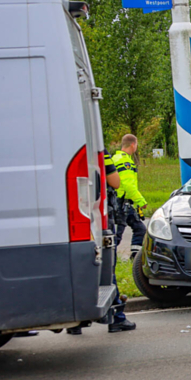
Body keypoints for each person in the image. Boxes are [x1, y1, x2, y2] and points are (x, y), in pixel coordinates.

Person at [68, 149, 135, 334]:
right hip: (99, 216)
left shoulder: (65, 151)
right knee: (107, 267)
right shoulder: (99, 152)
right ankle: (117, 318)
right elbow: (115, 182)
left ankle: (76, 324)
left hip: (73, 215)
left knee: (78, 267)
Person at [112, 134, 148, 261]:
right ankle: (110, 260)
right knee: (116, 235)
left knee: (140, 228)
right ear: (133, 144)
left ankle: (135, 258)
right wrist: (141, 201)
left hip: (123, 203)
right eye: (136, 145)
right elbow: (128, 185)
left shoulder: (116, 157)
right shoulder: (125, 161)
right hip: (121, 203)